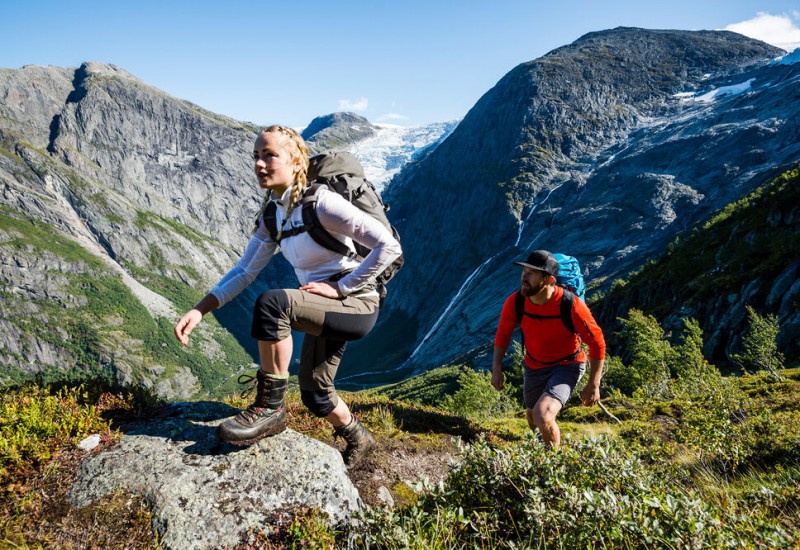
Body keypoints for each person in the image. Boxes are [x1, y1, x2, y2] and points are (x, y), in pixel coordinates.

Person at [174, 125, 402, 467]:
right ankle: (359, 437)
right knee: (316, 394)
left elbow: (389, 246)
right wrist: (200, 309)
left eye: (270, 155)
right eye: (256, 156)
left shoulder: (322, 203)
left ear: (297, 162)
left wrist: (341, 287)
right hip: (323, 304)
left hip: (356, 304)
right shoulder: (274, 215)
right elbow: (245, 271)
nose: (260, 164)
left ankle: (270, 409)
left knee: (274, 303)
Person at [491, 250, 605, 448]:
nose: (524, 277)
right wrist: (497, 368)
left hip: (568, 365)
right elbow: (503, 335)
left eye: (531, 273)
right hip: (534, 365)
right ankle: (539, 451)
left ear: (548, 280)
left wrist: (593, 384)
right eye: (524, 271)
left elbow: (597, 342)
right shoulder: (516, 302)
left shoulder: (571, 305)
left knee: (542, 414)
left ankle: (553, 464)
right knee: (532, 416)